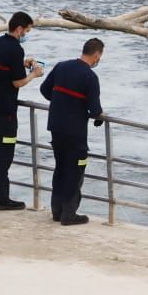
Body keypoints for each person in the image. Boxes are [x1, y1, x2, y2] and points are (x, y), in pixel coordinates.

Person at [0, 11, 44, 210]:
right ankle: (2, 199)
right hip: (5, 110)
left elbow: (4, 69)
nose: (26, 34)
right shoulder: (15, 50)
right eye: (26, 31)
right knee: (4, 152)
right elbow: (17, 82)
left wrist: (21, 64)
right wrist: (34, 74)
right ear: (19, 29)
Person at [40, 38, 105, 226]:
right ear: (97, 55)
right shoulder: (90, 77)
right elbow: (94, 110)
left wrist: (62, 102)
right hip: (75, 131)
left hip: (56, 126)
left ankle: (57, 211)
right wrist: (98, 117)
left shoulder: (61, 66)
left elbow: (44, 90)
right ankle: (69, 213)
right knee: (75, 170)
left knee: (60, 168)